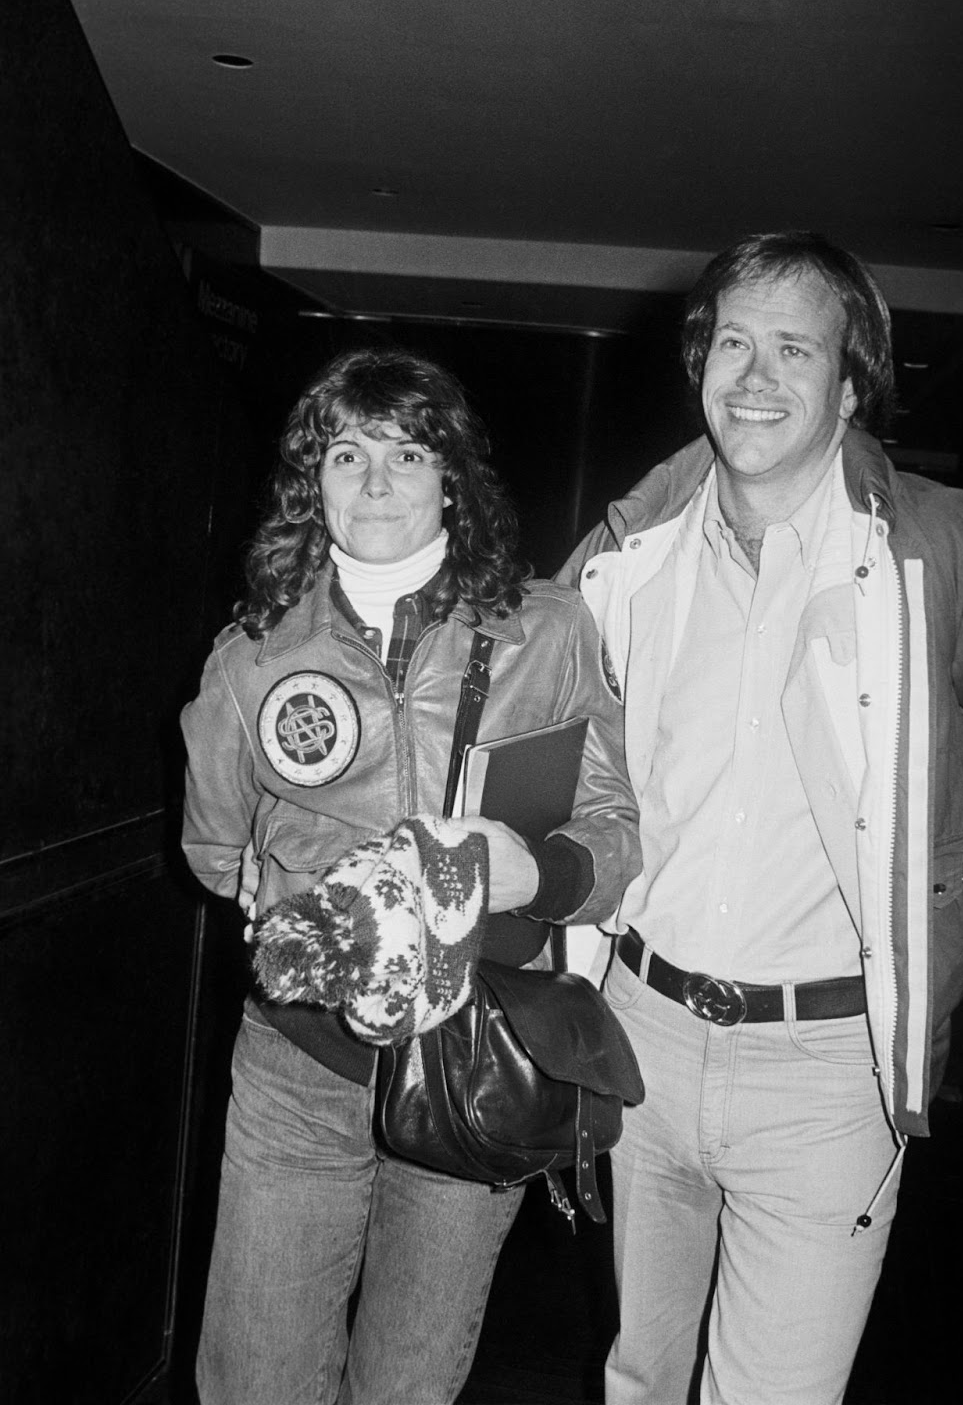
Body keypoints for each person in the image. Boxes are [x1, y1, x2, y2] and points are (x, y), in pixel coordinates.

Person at [558, 231, 963, 1405]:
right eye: (732, 341)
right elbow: (560, 732)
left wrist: (948, 911)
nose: (754, 375)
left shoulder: (932, 542)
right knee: (635, 1372)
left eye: (794, 348)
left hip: (824, 1061)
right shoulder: (631, 550)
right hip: (641, 1030)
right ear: (697, 365)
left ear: (847, 385)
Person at [181, 348, 639, 1405]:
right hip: (300, 1072)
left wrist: (537, 871)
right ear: (313, 483)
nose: (376, 481)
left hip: (475, 1066)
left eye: (405, 451)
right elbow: (212, 849)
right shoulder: (251, 654)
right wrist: (267, 874)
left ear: (451, 478)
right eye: (347, 453)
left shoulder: (545, 629)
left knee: (407, 1386)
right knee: (253, 1383)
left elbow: (615, 832)